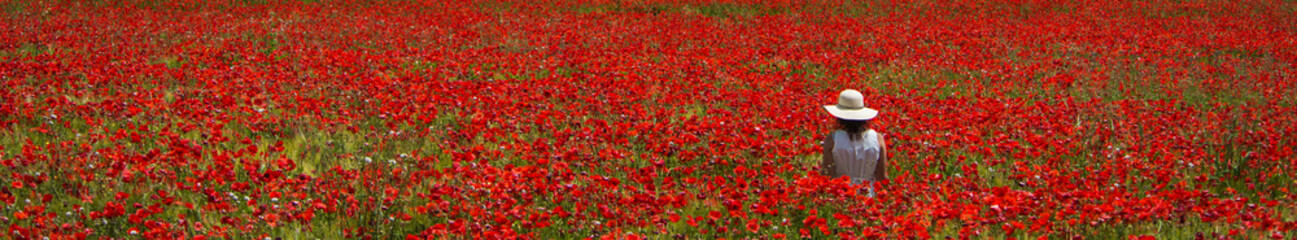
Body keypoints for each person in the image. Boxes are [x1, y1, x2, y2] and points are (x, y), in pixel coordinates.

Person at [819, 89, 887, 197]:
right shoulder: (878, 139)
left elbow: (828, 176)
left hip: (841, 195)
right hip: (868, 196)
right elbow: (882, 178)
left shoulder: (832, 140)